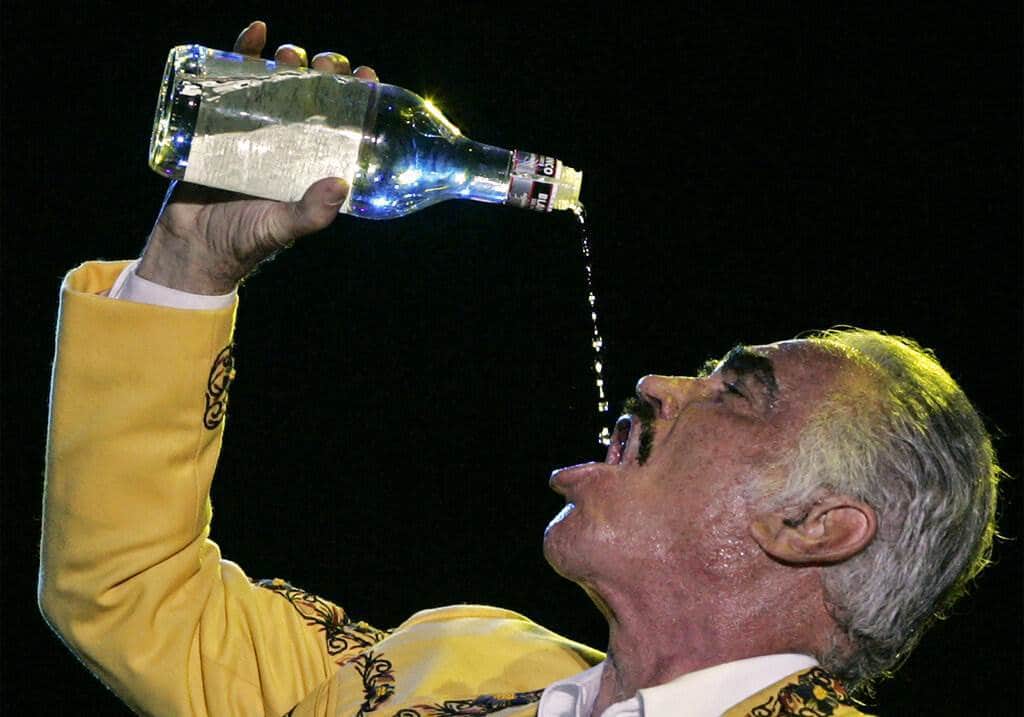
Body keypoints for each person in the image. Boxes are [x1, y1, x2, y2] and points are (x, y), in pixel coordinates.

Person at [39, 21, 1001, 717]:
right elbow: (131, 592)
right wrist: (192, 261)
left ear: (812, 526)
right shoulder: (450, 661)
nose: (661, 386)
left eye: (739, 393)